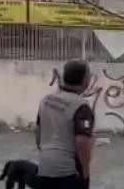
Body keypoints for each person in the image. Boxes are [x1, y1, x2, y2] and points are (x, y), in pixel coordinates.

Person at [35, 60, 94, 189]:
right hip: (67, 173)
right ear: (85, 80)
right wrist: (85, 173)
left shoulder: (46, 100)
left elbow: (38, 132)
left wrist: (47, 155)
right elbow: (82, 142)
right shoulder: (81, 106)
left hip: (44, 168)